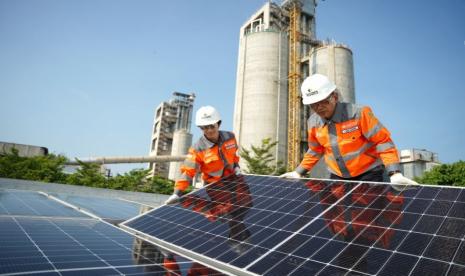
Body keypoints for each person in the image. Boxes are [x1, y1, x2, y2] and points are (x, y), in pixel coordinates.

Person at [281, 73, 417, 185]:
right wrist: (298, 172)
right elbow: (315, 150)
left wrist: (394, 173)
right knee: (337, 216)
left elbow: (382, 141)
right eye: (313, 105)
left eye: (323, 101)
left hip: (369, 175)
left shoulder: (359, 113)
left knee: (368, 216)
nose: (319, 108)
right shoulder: (313, 123)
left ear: (334, 97)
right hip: (338, 177)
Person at [165, 105, 241, 204]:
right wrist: (177, 193)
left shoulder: (230, 137)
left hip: (233, 180)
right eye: (205, 128)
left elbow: (233, 154)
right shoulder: (197, 148)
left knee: (241, 209)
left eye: (212, 126)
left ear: (218, 124)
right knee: (219, 213)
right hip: (213, 187)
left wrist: (236, 165)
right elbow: (188, 172)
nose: (209, 130)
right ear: (200, 128)